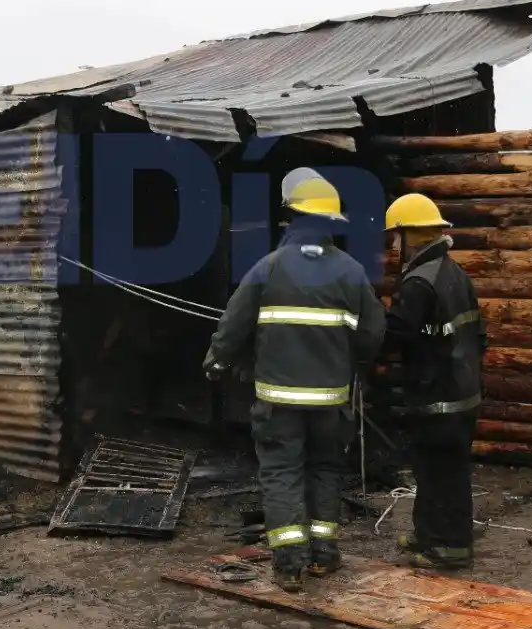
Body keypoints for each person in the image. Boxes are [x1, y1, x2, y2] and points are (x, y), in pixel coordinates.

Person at [202, 168, 385, 592]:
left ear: (292, 219)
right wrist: (351, 364)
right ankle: (324, 557)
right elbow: (374, 334)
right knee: (324, 470)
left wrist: (216, 362)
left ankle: (289, 567)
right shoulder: (352, 272)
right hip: (331, 402)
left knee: (282, 473)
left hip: (278, 404)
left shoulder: (267, 268)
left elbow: (233, 325)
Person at [382, 192, 485, 570]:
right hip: (463, 390)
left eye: (396, 236)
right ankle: (428, 533)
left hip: (438, 395)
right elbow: (479, 336)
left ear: (412, 235)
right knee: (436, 468)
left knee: (442, 472)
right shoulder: (455, 273)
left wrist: (363, 339)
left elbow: (394, 336)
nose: (393, 244)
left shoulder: (418, 283)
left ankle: (450, 548)